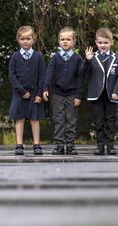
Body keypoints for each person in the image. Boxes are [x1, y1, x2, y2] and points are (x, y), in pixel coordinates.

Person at [43, 27, 83, 155]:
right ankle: (59, 145)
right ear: (59, 42)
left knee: (71, 120)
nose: (65, 42)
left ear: (73, 41)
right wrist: (45, 88)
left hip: (72, 94)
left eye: (68, 39)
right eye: (62, 39)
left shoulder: (77, 58)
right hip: (57, 93)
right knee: (58, 119)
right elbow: (49, 74)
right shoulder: (55, 58)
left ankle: (70, 145)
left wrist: (78, 95)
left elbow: (80, 77)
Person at [84, 27, 118, 155]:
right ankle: (100, 146)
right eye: (100, 43)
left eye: (106, 43)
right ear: (96, 42)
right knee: (99, 122)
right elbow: (84, 74)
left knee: (110, 121)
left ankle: (110, 146)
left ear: (111, 42)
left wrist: (116, 92)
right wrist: (87, 61)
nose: (103, 45)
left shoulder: (117, 58)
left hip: (111, 94)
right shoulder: (91, 57)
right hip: (96, 95)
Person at [8, 25, 45, 156]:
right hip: (19, 93)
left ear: (33, 39)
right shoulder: (15, 57)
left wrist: (40, 92)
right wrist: (21, 91)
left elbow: (42, 76)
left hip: (35, 93)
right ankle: (19, 145)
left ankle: (37, 144)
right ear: (18, 40)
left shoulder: (38, 57)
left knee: (35, 119)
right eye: (22, 39)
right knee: (19, 119)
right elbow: (12, 76)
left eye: (28, 38)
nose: (25, 41)